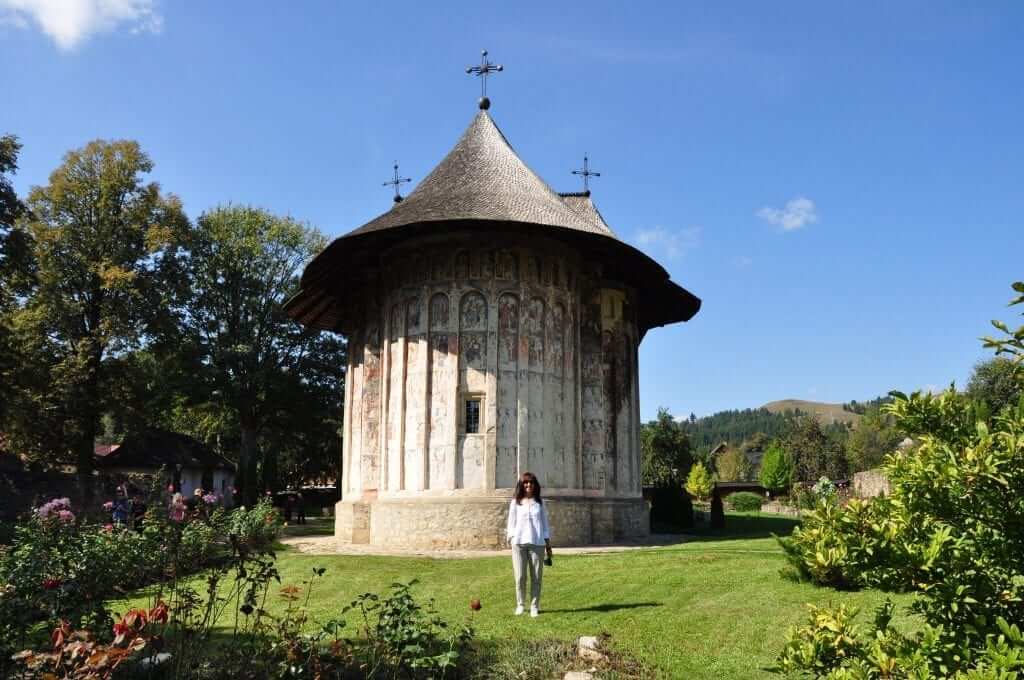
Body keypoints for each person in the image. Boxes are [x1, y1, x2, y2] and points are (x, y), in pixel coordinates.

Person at [505, 471, 552, 618]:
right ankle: (520, 605)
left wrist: (547, 542)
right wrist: (512, 538)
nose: (528, 485)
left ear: (535, 485)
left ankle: (534, 606)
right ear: (521, 485)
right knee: (520, 577)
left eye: (531, 482)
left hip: (537, 543)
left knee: (536, 577)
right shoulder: (515, 502)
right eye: (526, 482)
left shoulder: (540, 503)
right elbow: (510, 522)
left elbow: (544, 524)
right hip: (519, 543)